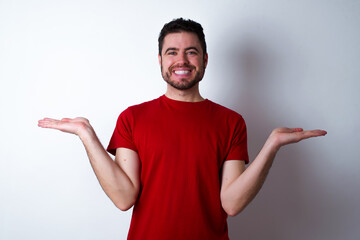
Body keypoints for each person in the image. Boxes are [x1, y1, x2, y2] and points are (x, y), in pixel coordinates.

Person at [38, 18, 327, 240]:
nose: (182, 60)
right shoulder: (133, 118)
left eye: (191, 52)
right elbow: (124, 197)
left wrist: (272, 145)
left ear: (204, 60)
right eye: (172, 52)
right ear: (160, 60)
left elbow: (232, 203)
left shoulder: (231, 122)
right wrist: (87, 135)